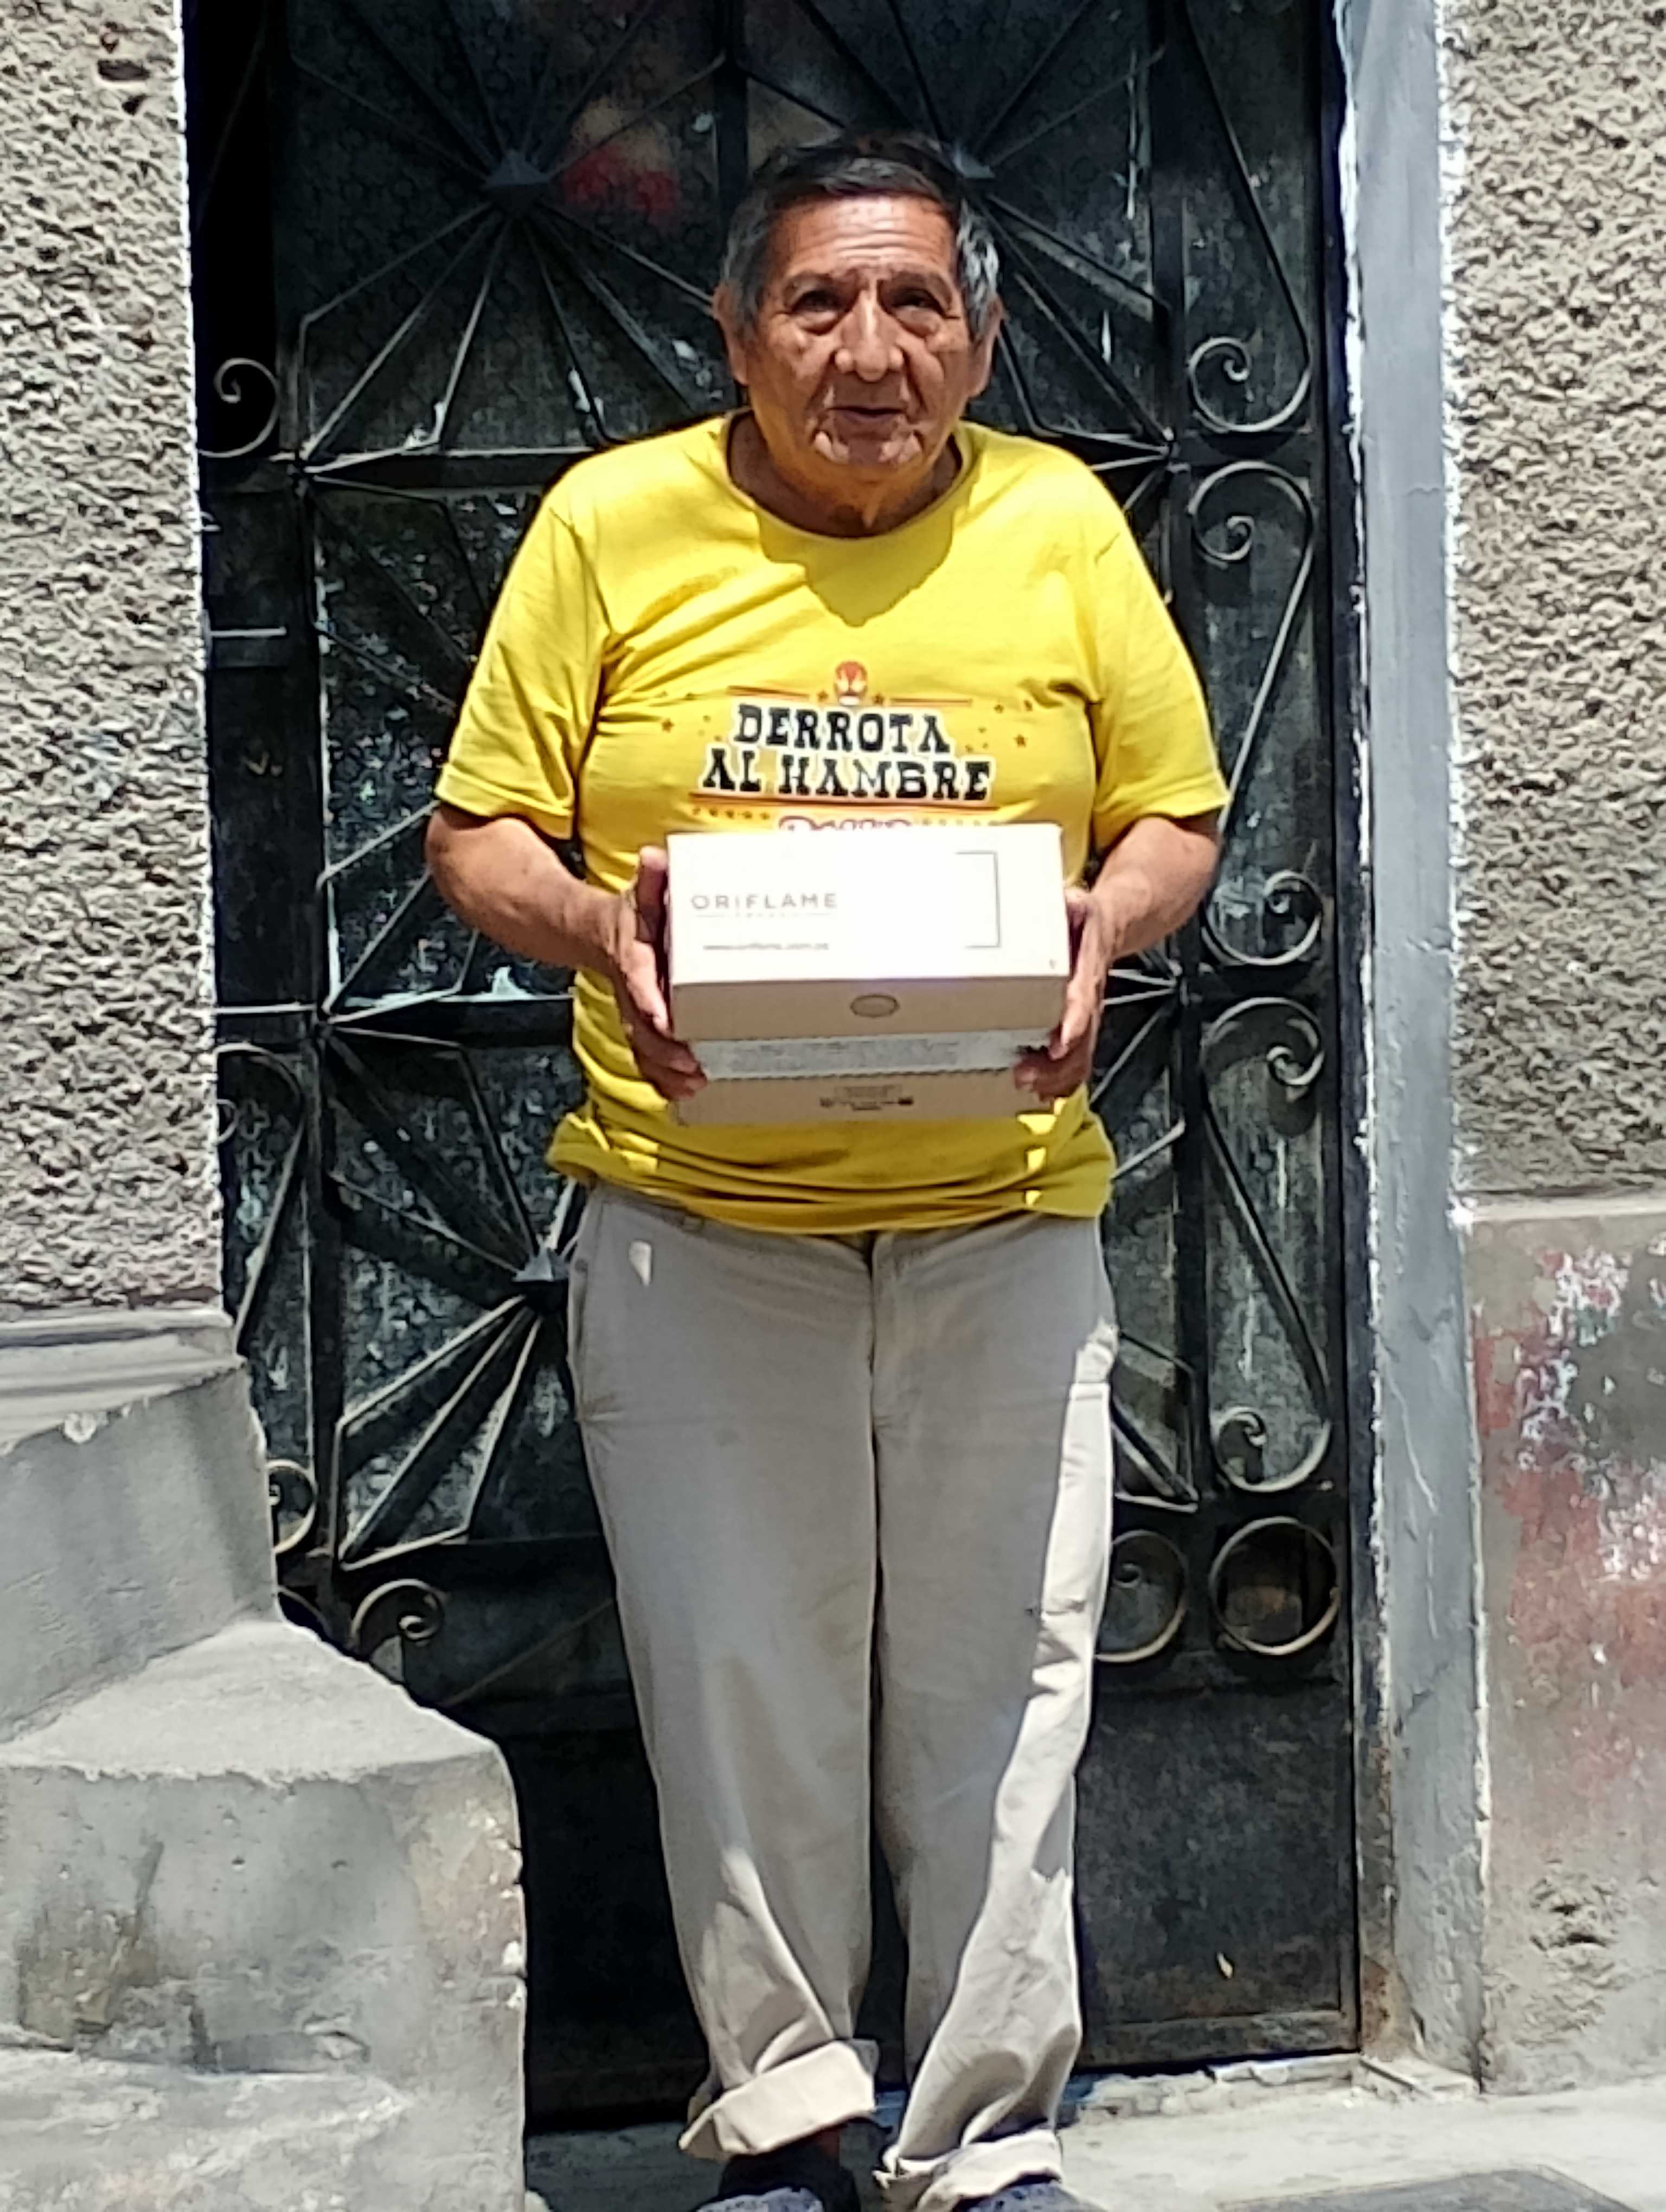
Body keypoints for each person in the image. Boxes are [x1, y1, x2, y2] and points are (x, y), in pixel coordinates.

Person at [428, 132, 1227, 2212]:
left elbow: (1176, 810)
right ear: (735, 332)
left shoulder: (1057, 520)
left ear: (981, 337)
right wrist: (597, 929)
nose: (870, 353)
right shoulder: (614, 525)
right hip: (700, 1225)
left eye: (916, 305)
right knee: (742, 1682)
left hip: (1002, 1217)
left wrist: (1107, 928)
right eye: (818, 303)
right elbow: (479, 828)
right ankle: (787, 2119)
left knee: (1007, 1689)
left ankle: (983, 2141)